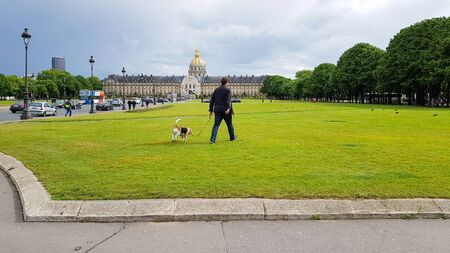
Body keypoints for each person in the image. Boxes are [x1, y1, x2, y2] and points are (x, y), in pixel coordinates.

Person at [209, 77, 237, 144]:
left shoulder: (216, 90)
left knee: (216, 125)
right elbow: (228, 100)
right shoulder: (228, 90)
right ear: (226, 82)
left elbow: (212, 101)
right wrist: (228, 108)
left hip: (218, 110)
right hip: (226, 111)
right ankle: (232, 138)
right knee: (229, 124)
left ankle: (213, 140)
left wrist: (210, 110)